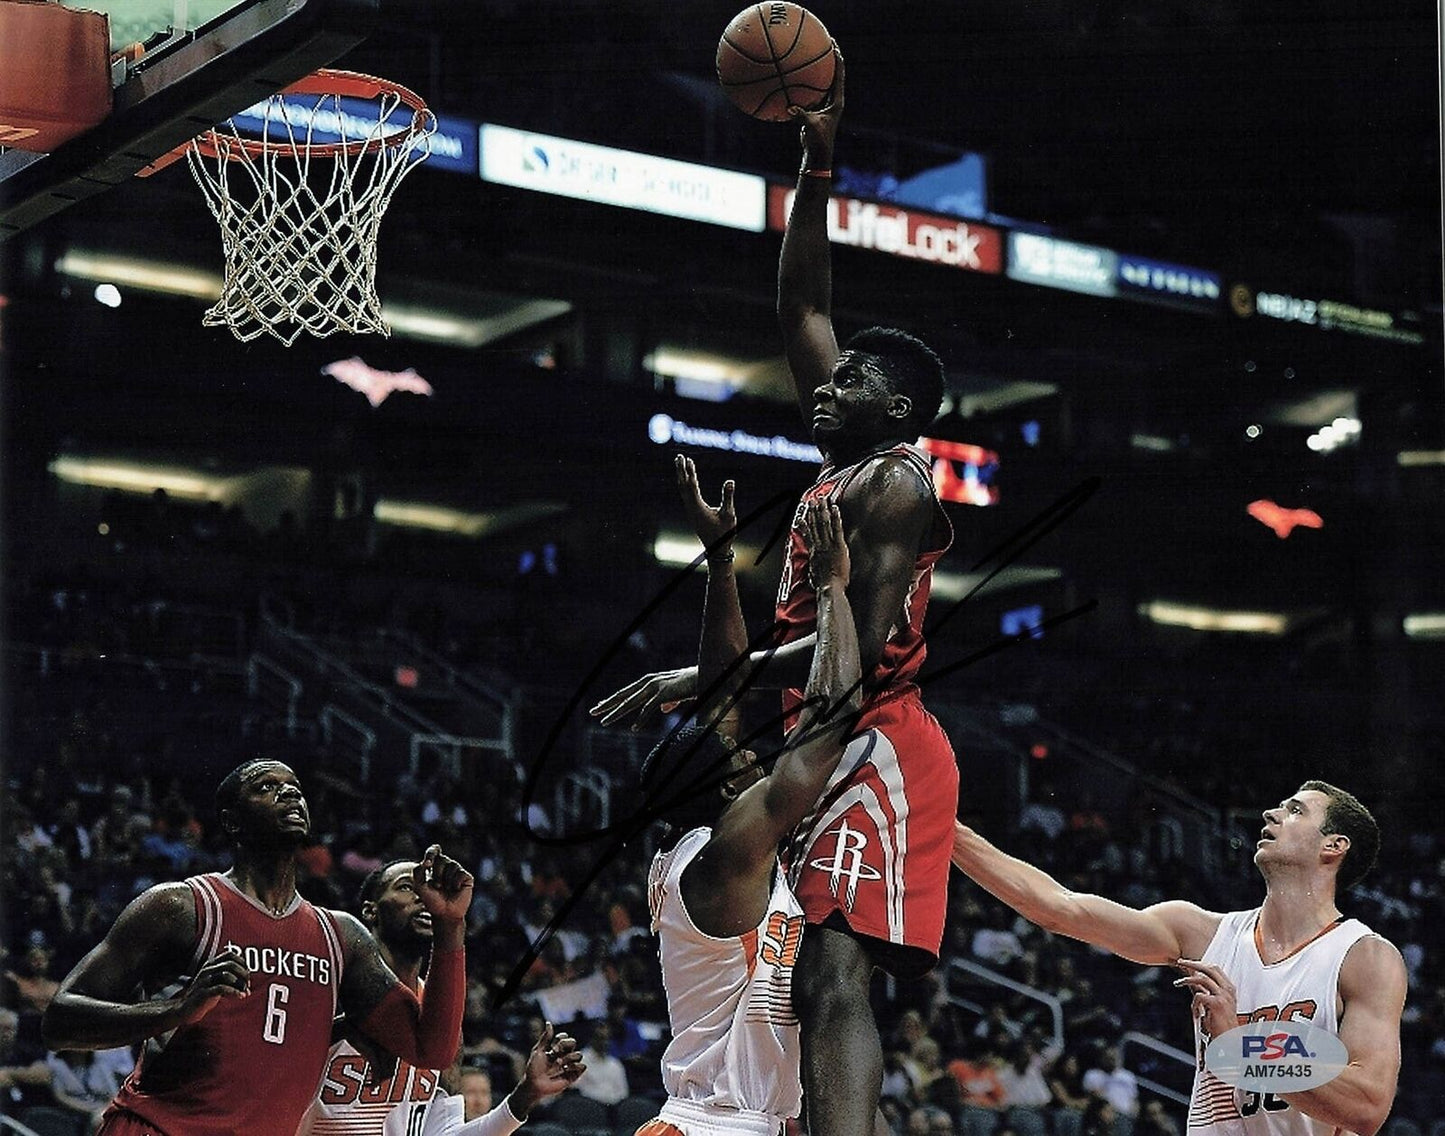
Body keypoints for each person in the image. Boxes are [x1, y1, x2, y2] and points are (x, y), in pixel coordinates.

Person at [593, 56, 958, 1136]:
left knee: (833, 968)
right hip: (820, 720)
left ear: (894, 407)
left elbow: (862, 642)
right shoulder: (843, 460)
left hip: (874, 730)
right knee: (807, 971)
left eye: (849, 381)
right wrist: (817, 163)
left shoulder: (893, 479)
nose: (825, 384)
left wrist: (709, 670)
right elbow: (801, 300)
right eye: (830, 375)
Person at [42, 760, 472, 1136]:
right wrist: (174, 1012)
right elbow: (60, 1019)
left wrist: (451, 927)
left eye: (295, 788)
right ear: (232, 820)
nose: (288, 792)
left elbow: (432, 1050)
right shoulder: (182, 907)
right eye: (266, 786)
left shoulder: (341, 936)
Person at [950, 782, 1406, 1134]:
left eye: (1296, 810)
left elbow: (1366, 1106)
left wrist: (1239, 1045)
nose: (1272, 812)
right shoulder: (1200, 932)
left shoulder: (1364, 958)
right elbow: (1058, 907)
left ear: (1333, 846)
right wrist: (948, 832)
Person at [636, 457, 867, 1136]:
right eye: (745, 759)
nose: (756, 757)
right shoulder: (727, 854)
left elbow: (724, 693)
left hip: (747, 1120)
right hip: (710, 1123)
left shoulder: (706, 844)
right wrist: (831, 589)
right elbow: (828, 720)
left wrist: (719, 563)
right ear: (731, 785)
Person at [298, 857, 584, 1136]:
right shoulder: (329, 991)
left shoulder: (442, 1024)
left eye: (430, 888)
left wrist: (525, 1095)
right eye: (408, 887)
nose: (424, 896)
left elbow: (445, 1132)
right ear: (371, 911)